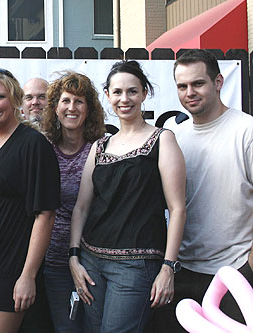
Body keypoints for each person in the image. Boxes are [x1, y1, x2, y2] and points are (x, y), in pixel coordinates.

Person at [69, 60, 186, 333]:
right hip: (91, 262)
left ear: (145, 93)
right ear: (107, 96)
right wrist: (74, 257)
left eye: (132, 91)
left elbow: (177, 208)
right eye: (117, 92)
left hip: (136, 267)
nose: (125, 99)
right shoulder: (100, 146)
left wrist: (168, 267)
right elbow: (82, 208)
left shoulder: (162, 139)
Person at [149, 49, 253, 332]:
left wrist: (249, 266)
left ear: (218, 82)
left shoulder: (246, 131)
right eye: (182, 86)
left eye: (198, 84)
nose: (189, 92)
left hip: (234, 273)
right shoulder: (176, 139)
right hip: (181, 272)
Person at [0, 68, 60, 332]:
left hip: (12, 267)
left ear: (16, 100)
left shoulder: (33, 145)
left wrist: (28, 275)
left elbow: (45, 215)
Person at [40, 71, 105, 332]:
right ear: (55, 108)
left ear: (89, 109)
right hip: (54, 260)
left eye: (79, 101)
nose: (72, 108)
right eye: (65, 101)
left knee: (95, 327)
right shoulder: (43, 149)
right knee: (66, 329)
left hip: (93, 259)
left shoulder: (102, 149)